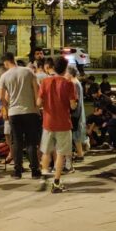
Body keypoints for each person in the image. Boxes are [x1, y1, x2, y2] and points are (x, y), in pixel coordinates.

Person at [37, 57, 78, 193]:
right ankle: (56, 182)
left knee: (46, 151)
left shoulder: (45, 82)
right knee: (61, 153)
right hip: (63, 123)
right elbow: (72, 106)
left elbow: (38, 103)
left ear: (53, 67)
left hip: (48, 122)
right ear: (65, 68)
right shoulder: (69, 84)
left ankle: (44, 174)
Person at [0, 53, 42, 180]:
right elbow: (36, 90)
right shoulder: (28, 71)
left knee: (16, 142)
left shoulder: (4, 76)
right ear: (14, 60)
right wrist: (36, 106)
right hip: (30, 111)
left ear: (6, 62)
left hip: (14, 113)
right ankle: (35, 170)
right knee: (31, 142)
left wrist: (7, 105)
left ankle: (18, 171)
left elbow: (1, 97)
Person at [67, 66, 88, 164]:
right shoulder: (77, 83)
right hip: (78, 112)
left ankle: (80, 154)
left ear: (70, 74)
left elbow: (74, 100)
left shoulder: (73, 84)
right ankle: (80, 154)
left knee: (75, 134)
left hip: (75, 112)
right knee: (76, 134)